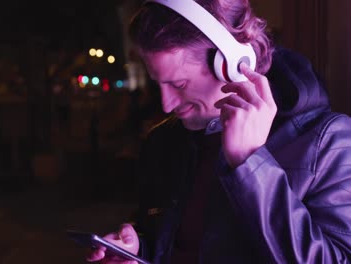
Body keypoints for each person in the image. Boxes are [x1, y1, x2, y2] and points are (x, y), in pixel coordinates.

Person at [86, 0, 351, 263]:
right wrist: (138, 249)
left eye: (179, 84)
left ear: (233, 63)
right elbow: (176, 241)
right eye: (159, 85)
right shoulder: (164, 141)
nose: (167, 104)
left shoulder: (328, 142)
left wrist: (250, 160)